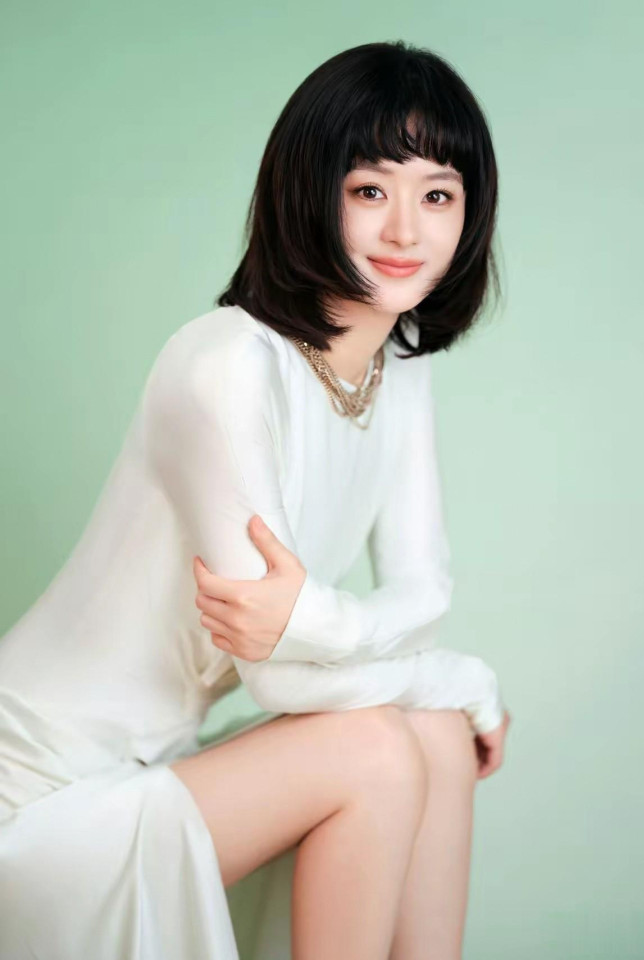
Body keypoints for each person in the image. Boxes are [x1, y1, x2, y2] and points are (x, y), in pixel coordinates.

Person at [0, 39, 511, 960]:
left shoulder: (397, 368)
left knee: (433, 731)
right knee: (374, 746)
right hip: (34, 802)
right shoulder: (225, 363)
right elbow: (276, 674)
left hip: (147, 768)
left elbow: (422, 593)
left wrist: (329, 625)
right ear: (308, 193)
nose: (406, 231)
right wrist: (458, 677)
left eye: (437, 195)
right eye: (369, 189)